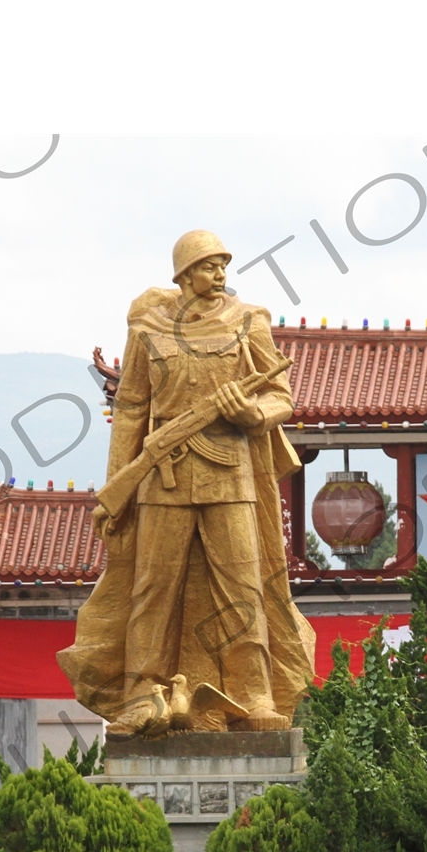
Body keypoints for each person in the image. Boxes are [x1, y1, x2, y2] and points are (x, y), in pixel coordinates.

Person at [59, 230, 314, 733]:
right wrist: (118, 490)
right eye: (208, 266)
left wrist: (253, 414)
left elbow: (281, 396)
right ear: (184, 275)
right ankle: (140, 695)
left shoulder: (248, 322)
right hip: (163, 480)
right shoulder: (148, 329)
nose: (219, 275)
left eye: (223, 266)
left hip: (231, 475)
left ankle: (254, 693)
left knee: (242, 587)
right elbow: (131, 406)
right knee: (153, 588)